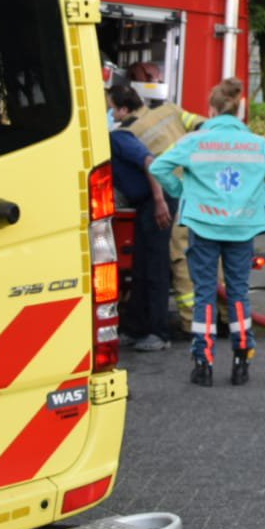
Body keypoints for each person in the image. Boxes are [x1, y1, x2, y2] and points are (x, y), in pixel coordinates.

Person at [151, 78, 265, 387]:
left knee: (204, 293)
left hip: (204, 226)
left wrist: (181, 190)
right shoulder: (257, 143)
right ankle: (242, 357)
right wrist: (262, 195)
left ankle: (203, 363)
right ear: (241, 109)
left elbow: (159, 168)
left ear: (211, 110)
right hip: (243, 226)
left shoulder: (194, 141)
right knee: (239, 293)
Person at [125, 61, 204, 336]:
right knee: (210, 254)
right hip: (198, 189)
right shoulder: (172, 110)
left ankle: (191, 323)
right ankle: (227, 316)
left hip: (173, 195)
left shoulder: (130, 132)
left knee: (181, 258)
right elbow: (200, 124)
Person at [107, 84, 173, 353]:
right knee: (141, 268)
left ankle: (158, 333)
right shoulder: (118, 136)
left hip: (156, 201)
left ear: (123, 109)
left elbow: (150, 163)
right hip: (146, 203)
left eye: (111, 108)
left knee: (154, 269)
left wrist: (158, 202)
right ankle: (134, 330)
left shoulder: (120, 138)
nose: (109, 113)